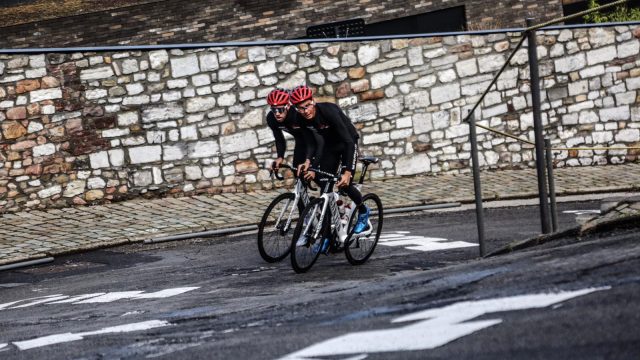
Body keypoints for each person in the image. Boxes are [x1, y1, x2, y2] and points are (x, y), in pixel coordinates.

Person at [289, 85, 370, 251]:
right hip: (329, 147)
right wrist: (308, 162)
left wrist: (347, 172)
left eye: (307, 106)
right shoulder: (301, 119)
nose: (305, 111)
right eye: (300, 108)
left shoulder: (328, 112)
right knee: (325, 192)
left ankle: (363, 211)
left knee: (344, 183)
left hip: (347, 143)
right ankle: (326, 236)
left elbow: (348, 141)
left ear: (313, 101)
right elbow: (311, 142)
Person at [266, 88, 316, 176]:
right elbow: (279, 139)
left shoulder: (297, 115)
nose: (277, 113)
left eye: (280, 109)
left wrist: (308, 160)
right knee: (296, 170)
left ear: (288, 106)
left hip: (316, 139)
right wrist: (280, 157)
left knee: (316, 173)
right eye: (274, 110)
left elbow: (312, 139)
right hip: (301, 140)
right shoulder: (271, 118)